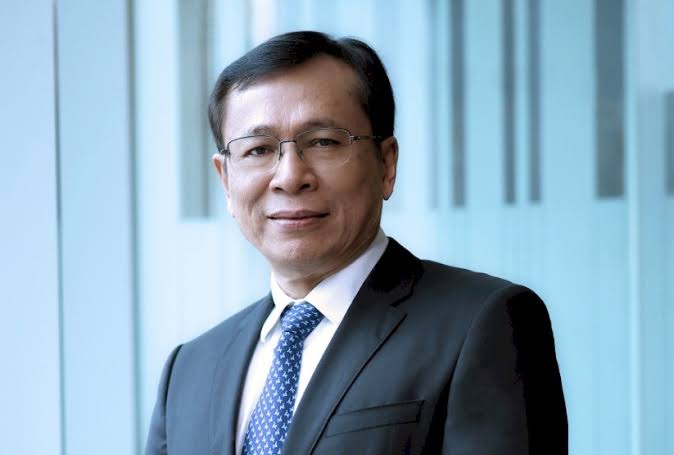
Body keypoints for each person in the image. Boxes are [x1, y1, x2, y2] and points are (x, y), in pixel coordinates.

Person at [145, 31, 567, 455]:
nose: (290, 177)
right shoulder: (189, 371)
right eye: (257, 150)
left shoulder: (481, 324)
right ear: (225, 179)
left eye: (324, 142)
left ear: (386, 164)